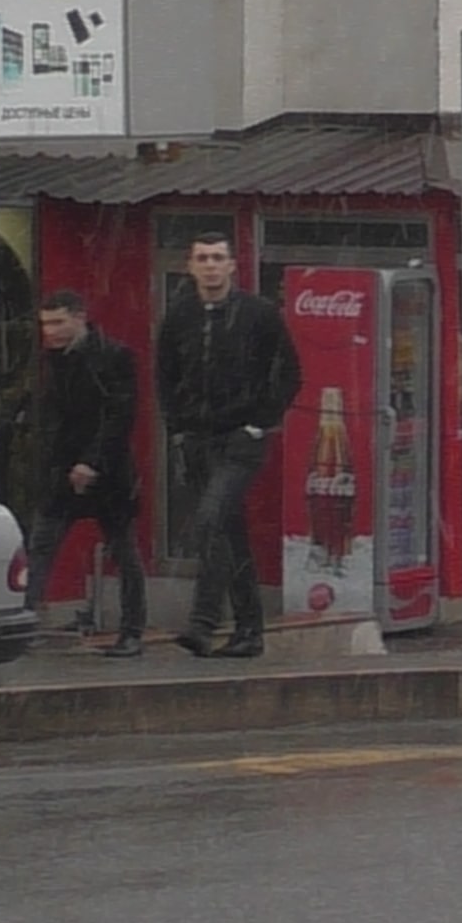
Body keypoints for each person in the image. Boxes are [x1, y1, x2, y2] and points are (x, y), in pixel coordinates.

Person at [153, 230, 299, 658]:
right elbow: (165, 376)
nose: (211, 266)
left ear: (233, 265)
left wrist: (259, 423)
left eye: (218, 258)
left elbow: (289, 373)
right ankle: (250, 631)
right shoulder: (179, 316)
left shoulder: (259, 314)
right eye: (203, 258)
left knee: (211, 518)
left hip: (240, 440)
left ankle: (203, 621)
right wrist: (177, 428)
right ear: (190, 265)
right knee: (229, 534)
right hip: (197, 440)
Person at [28, 292, 146, 657]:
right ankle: (23, 625)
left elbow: (120, 415)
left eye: (58, 322)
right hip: (61, 470)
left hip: (107, 471)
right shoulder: (51, 361)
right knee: (40, 545)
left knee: (124, 551)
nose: (51, 332)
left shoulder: (113, 355)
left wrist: (92, 461)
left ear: (80, 318)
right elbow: (51, 417)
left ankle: (132, 631)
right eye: (46, 324)